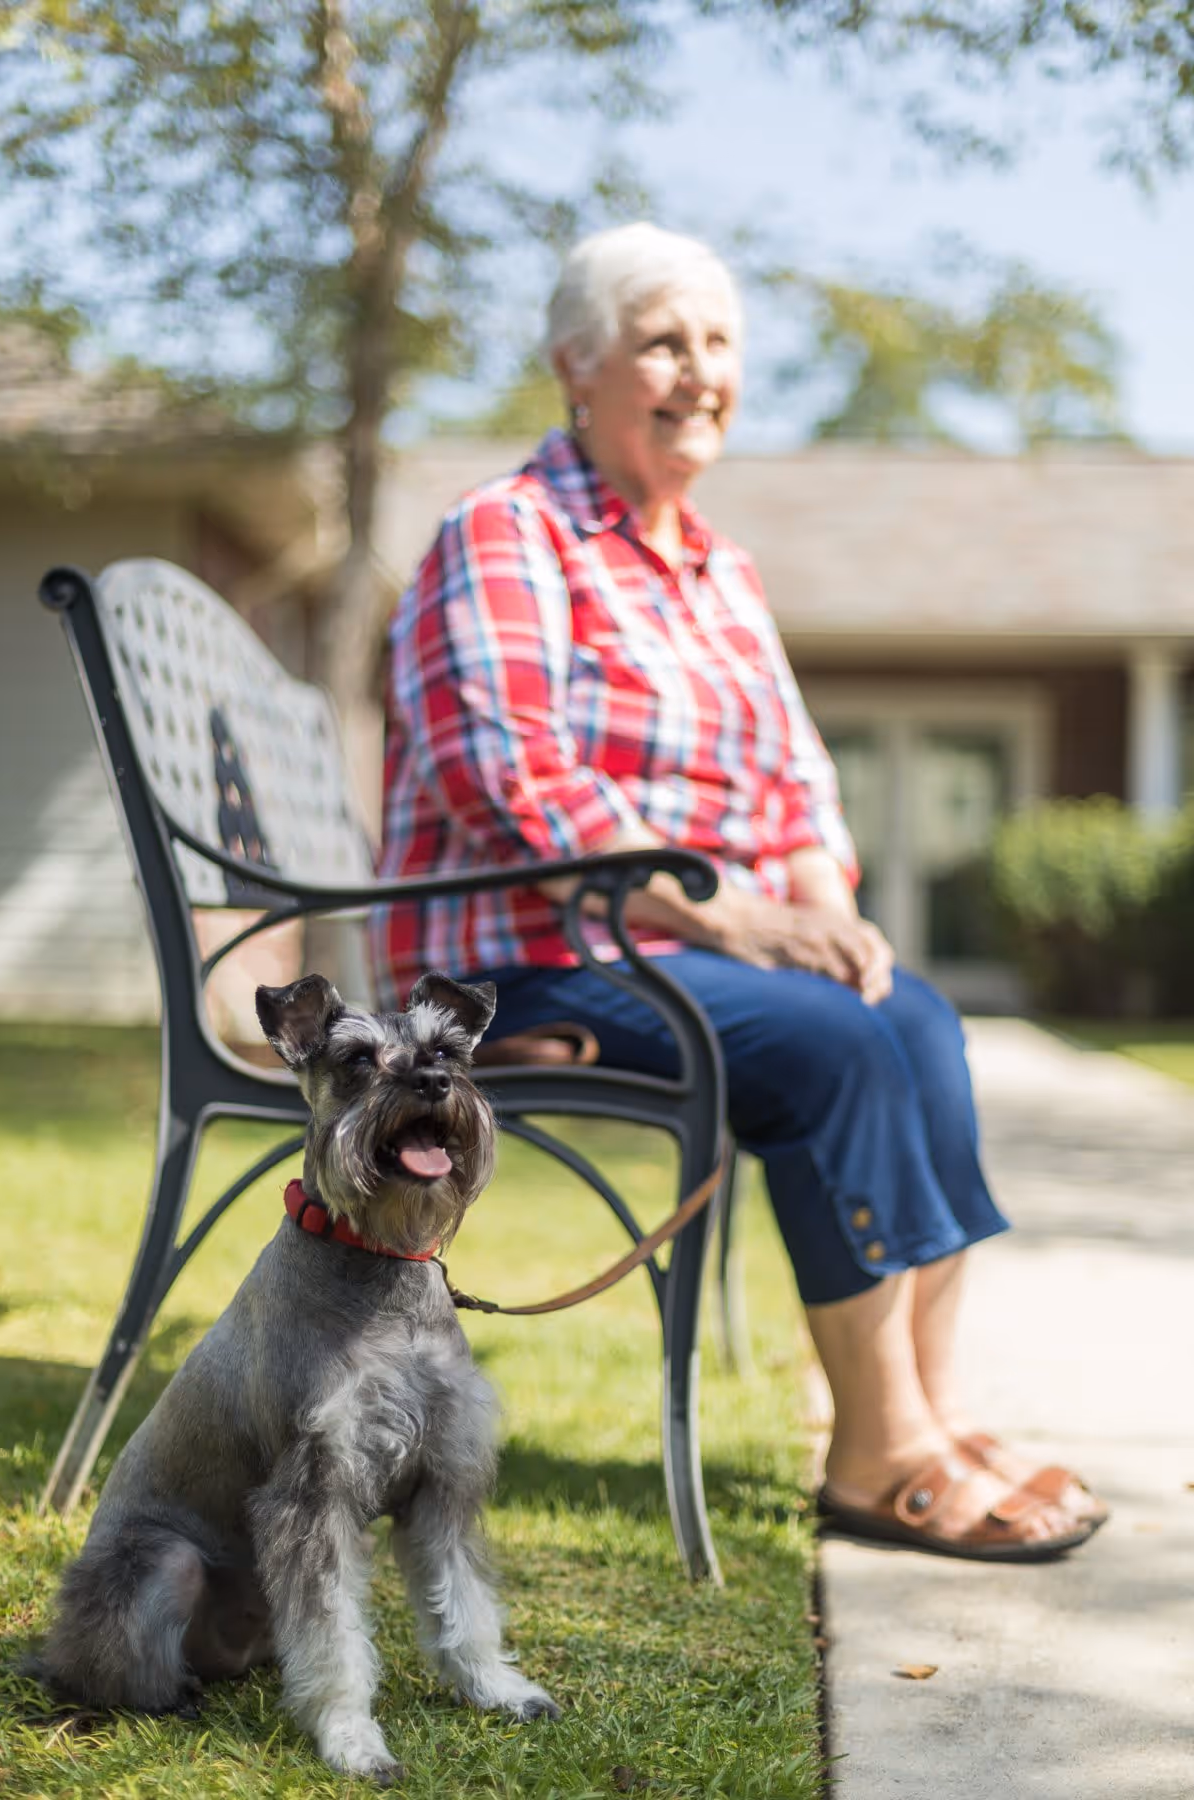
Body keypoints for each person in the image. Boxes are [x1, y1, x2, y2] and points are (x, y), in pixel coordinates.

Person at [370, 222, 1106, 1560]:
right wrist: (726, 916)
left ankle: (930, 1413)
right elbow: (511, 773)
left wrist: (823, 903)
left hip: (670, 947)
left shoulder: (721, 570)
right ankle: (876, 1452)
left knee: (916, 1017)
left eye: (719, 344)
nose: (698, 370)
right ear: (575, 368)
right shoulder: (507, 532)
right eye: (662, 340)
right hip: (522, 961)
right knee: (829, 1047)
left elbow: (795, 780)